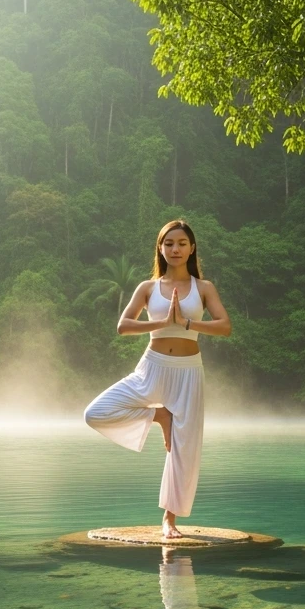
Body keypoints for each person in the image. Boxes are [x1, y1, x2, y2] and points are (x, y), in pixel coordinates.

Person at [83, 219, 232, 539]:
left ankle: (169, 519)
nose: (175, 249)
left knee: (185, 449)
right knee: (95, 412)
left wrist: (188, 325)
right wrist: (164, 321)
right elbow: (124, 326)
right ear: (160, 249)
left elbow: (224, 326)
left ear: (192, 248)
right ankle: (157, 415)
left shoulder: (203, 288)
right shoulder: (148, 288)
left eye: (181, 243)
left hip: (189, 371)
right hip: (152, 367)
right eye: (168, 244)